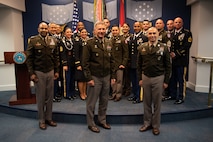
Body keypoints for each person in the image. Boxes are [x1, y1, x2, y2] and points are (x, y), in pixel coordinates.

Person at [82, 21, 115, 133]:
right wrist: (88, 78)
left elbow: (112, 61)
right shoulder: (89, 43)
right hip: (94, 77)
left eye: (103, 29)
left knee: (104, 100)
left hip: (106, 76)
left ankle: (102, 120)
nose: (101, 31)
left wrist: (113, 76)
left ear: (106, 30)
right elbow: (85, 63)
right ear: (94, 31)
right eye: (99, 29)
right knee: (91, 102)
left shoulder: (109, 42)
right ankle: (91, 123)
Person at [137, 27, 172, 135]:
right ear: (147, 35)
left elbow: (168, 66)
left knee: (157, 103)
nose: (152, 35)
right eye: (150, 33)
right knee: (146, 102)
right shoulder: (142, 48)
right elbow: (138, 65)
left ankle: (156, 126)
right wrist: (140, 79)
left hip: (158, 77)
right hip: (146, 77)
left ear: (158, 35)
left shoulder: (164, 48)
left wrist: (166, 81)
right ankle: (147, 123)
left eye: (154, 33)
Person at [26, 22, 59, 130]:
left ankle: (49, 118)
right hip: (39, 72)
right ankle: (41, 120)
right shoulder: (33, 41)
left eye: (45, 28)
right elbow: (29, 59)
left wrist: (56, 71)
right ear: (38, 29)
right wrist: (31, 73)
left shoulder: (53, 40)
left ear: (48, 29)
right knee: (40, 97)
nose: (44, 30)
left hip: (50, 71)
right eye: (42, 28)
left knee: (50, 97)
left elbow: (56, 57)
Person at [169, 17, 193, 104]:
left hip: (181, 60)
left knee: (181, 79)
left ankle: (181, 97)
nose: (177, 24)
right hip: (173, 60)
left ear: (182, 23)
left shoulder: (187, 33)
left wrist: (176, 53)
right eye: (176, 22)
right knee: (173, 79)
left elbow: (187, 46)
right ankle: (173, 95)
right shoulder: (172, 33)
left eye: (179, 22)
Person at [128, 21, 148, 104]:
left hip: (139, 63)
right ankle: (134, 94)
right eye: (135, 26)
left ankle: (139, 97)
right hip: (132, 62)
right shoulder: (131, 37)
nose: (136, 28)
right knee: (133, 80)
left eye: (138, 26)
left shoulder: (144, 37)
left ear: (141, 27)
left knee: (139, 80)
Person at [109, 25, 129, 102]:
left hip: (119, 64)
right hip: (112, 64)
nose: (114, 32)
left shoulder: (122, 40)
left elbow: (126, 53)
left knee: (119, 81)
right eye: (113, 30)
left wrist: (123, 64)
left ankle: (118, 95)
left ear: (119, 31)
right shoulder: (110, 40)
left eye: (116, 30)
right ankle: (113, 94)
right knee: (113, 81)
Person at [60, 27, 76, 101]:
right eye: (67, 32)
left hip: (73, 63)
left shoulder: (73, 40)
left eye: (70, 32)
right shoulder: (62, 42)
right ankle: (67, 94)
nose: (69, 33)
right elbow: (62, 54)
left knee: (72, 79)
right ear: (64, 33)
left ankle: (72, 92)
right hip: (67, 64)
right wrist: (64, 64)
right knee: (67, 79)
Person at [74, 28, 89, 100]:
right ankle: (81, 93)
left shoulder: (88, 41)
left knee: (85, 79)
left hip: (86, 64)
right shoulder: (77, 42)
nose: (84, 34)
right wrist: (78, 64)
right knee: (80, 79)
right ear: (80, 34)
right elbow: (76, 54)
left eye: (85, 32)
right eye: (82, 32)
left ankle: (85, 92)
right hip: (80, 63)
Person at [121, 23, 132, 97]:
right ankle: (123, 89)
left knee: (128, 76)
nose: (125, 28)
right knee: (122, 76)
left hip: (129, 59)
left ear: (129, 28)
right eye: (123, 27)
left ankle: (128, 89)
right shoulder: (120, 37)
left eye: (126, 27)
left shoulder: (131, 37)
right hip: (121, 59)